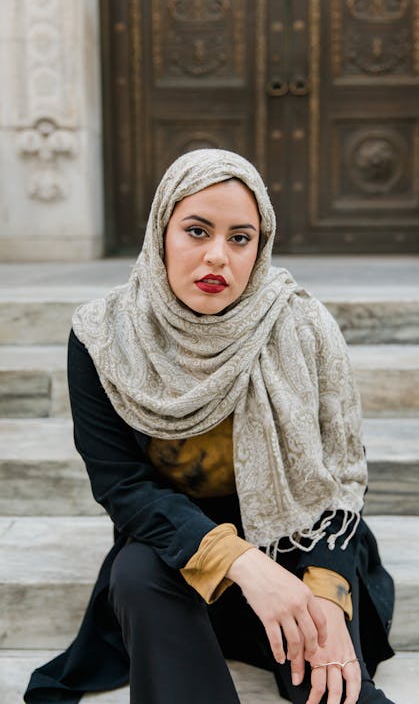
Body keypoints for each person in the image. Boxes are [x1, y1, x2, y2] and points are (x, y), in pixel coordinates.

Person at [24, 149, 395, 704]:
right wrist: (243, 563)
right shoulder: (105, 337)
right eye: (196, 231)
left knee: (335, 690)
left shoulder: (301, 325)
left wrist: (327, 591)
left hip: (296, 541)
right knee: (136, 569)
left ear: (260, 247)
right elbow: (123, 488)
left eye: (240, 238)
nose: (217, 257)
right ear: (160, 233)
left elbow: (341, 477)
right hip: (179, 553)